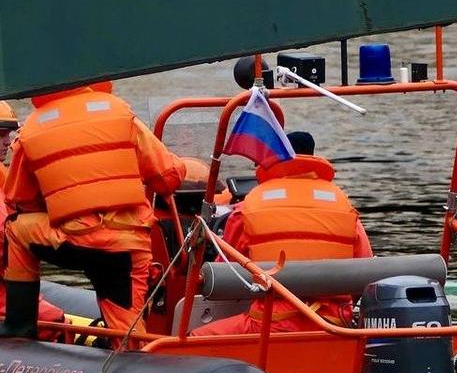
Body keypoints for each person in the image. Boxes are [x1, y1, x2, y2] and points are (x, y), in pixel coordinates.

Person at [0, 83, 187, 338]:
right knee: (129, 335)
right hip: (129, 244)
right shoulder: (120, 113)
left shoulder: (32, 129)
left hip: (77, 239)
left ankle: (20, 326)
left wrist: (63, 195)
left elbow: (20, 200)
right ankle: (135, 360)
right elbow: (169, 177)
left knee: (15, 228)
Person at [192, 131, 372, 336]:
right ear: (313, 157)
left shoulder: (248, 208)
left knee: (194, 337)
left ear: (274, 156)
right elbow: (363, 270)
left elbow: (224, 277)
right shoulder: (343, 206)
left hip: (269, 325)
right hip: (333, 325)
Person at [0, 102, 65, 338]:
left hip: (7, 285)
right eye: (0, 134)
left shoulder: (5, 179)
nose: (8, 142)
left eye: (9, 134)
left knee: (53, 317)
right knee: (52, 322)